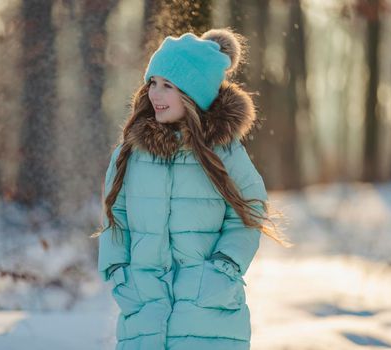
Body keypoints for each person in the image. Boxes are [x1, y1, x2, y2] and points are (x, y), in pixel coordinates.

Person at [91, 27, 288, 350]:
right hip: (145, 307)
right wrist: (118, 273)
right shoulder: (130, 152)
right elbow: (117, 215)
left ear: (193, 95)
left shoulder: (223, 151)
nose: (155, 93)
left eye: (168, 86)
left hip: (208, 310)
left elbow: (251, 207)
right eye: (153, 83)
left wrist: (225, 267)